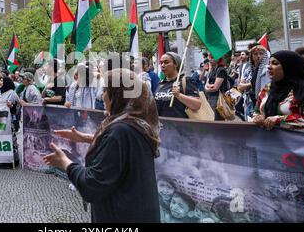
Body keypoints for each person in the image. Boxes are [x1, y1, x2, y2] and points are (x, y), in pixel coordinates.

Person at [44, 69, 161, 223]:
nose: (101, 95)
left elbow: (91, 185)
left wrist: (65, 162)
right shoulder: (137, 123)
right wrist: (85, 138)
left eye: (106, 90)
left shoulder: (120, 130)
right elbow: (122, 148)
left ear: (119, 95)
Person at [253, 51, 304, 130]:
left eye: (275, 63)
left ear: (288, 66)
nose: (269, 67)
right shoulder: (268, 88)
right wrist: (257, 117)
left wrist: (280, 119)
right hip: (269, 140)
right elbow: (256, 111)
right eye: (269, 63)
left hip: (298, 140)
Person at [154, 52, 201, 118]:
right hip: (162, 126)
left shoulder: (186, 81)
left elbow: (197, 105)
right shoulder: (160, 84)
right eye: (161, 63)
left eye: (166, 62)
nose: (162, 65)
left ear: (175, 64)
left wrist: (179, 95)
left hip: (181, 126)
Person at [204, 54, 230, 121]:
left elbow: (215, 87)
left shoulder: (221, 70)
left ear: (219, 59)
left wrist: (207, 87)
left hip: (218, 100)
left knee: (216, 120)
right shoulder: (213, 70)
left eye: (212, 57)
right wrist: (209, 86)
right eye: (209, 57)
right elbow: (207, 83)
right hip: (211, 98)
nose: (210, 59)